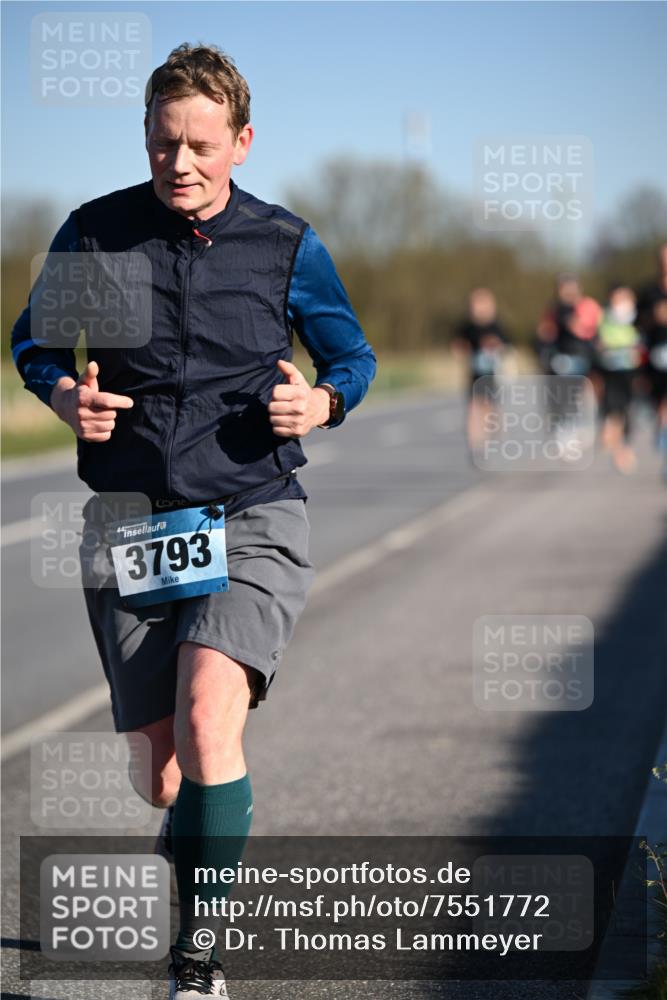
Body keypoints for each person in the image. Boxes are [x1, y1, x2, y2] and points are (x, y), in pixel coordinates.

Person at [11, 43, 376, 998]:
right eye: (164, 142)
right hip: (132, 523)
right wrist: (62, 396)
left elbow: (352, 357)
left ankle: (199, 957)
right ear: (144, 135)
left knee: (213, 715)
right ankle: (194, 831)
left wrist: (321, 402)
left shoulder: (286, 245)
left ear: (241, 143)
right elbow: (35, 344)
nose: (180, 163)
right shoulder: (95, 233)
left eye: (201, 145)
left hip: (252, 507)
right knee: (164, 774)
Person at [450, 287, 511, 457]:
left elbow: (506, 347)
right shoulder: (467, 326)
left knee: (489, 408)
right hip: (474, 373)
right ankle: (475, 444)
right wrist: (462, 350)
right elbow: (457, 345)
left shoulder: (496, 326)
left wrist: (495, 345)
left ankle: (493, 437)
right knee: (473, 407)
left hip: (492, 374)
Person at [594, 284, 642, 474]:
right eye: (617, 298)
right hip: (609, 371)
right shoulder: (603, 318)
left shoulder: (639, 318)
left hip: (631, 372)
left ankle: (624, 448)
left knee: (627, 409)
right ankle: (617, 448)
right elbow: (595, 342)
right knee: (612, 409)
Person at [637, 244, 667, 478]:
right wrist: (653, 317)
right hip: (656, 357)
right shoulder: (648, 292)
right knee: (660, 405)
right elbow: (636, 323)